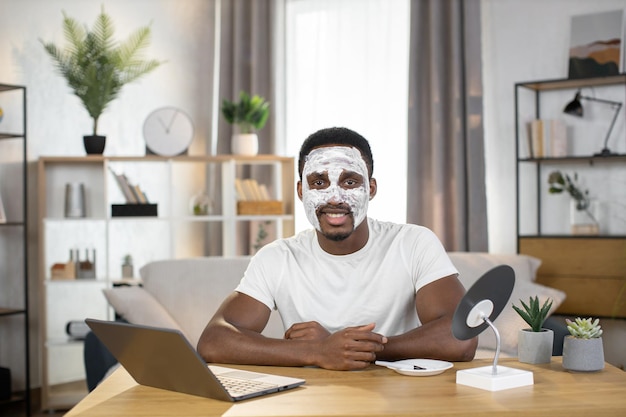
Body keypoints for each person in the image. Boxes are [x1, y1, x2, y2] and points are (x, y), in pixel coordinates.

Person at [197, 127, 477, 370]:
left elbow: (462, 336)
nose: (334, 197)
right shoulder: (277, 257)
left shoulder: (413, 243)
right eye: (319, 182)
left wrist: (348, 348)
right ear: (300, 191)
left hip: (396, 399)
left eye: (350, 181)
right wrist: (317, 352)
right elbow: (213, 341)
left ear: (371, 188)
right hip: (309, 401)